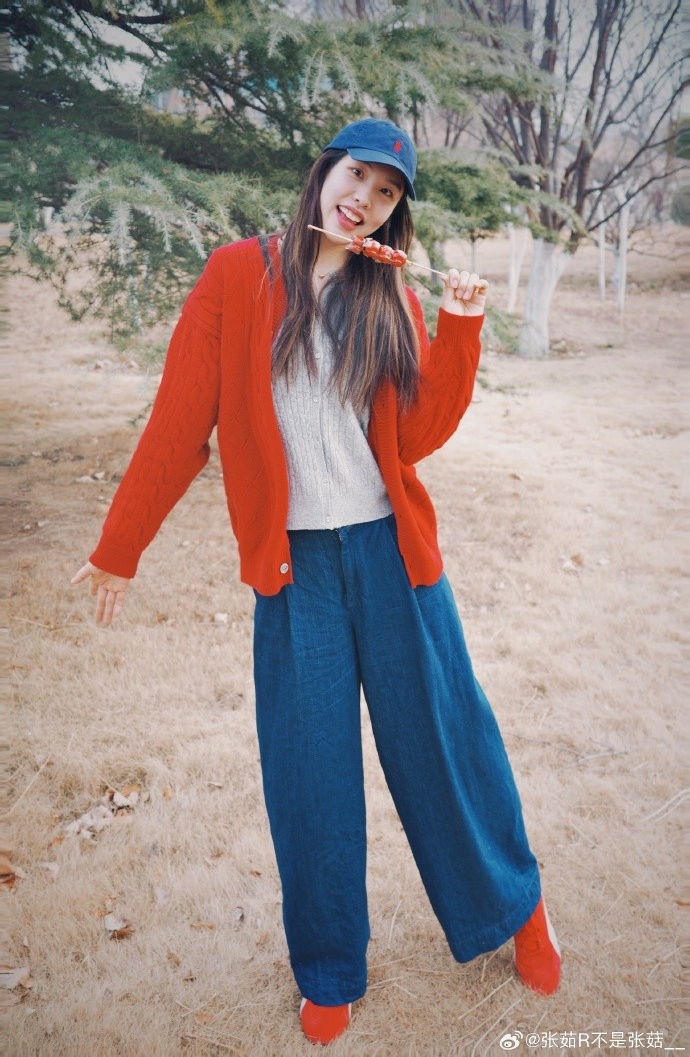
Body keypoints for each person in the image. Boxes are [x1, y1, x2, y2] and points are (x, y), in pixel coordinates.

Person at [72, 118, 562, 1046]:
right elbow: (180, 417)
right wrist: (119, 546)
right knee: (310, 772)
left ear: (394, 212)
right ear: (324, 171)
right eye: (356, 177)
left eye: (386, 193)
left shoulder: (390, 296)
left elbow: (414, 437)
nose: (364, 200)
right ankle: (330, 967)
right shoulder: (236, 276)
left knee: (445, 744)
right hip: (295, 572)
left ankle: (518, 909)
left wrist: (459, 330)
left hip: (391, 557)